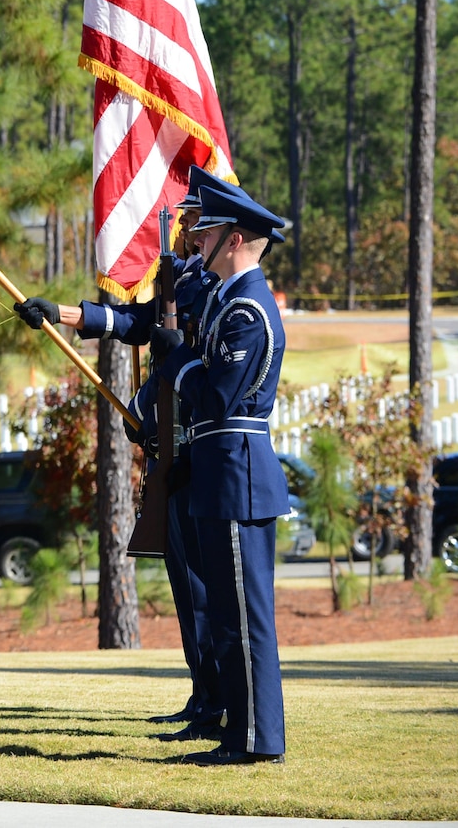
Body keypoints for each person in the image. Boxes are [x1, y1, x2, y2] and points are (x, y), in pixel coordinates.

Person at [14, 167, 233, 735]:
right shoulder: (183, 278)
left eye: (194, 222)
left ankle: (220, 702)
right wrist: (61, 314)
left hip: (199, 443)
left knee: (207, 589)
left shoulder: (213, 291)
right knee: (187, 588)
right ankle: (203, 694)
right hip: (171, 446)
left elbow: (185, 353)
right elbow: (133, 323)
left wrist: (167, 347)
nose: (187, 228)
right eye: (187, 221)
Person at [174, 184, 290, 766]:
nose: (197, 238)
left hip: (238, 476)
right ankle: (239, 734)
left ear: (235, 238)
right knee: (228, 615)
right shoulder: (228, 301)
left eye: (208, 230)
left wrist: (180, 367)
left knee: (246, 618)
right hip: (222, 474)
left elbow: (216, 398)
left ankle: (257, 741)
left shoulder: (247, 310)